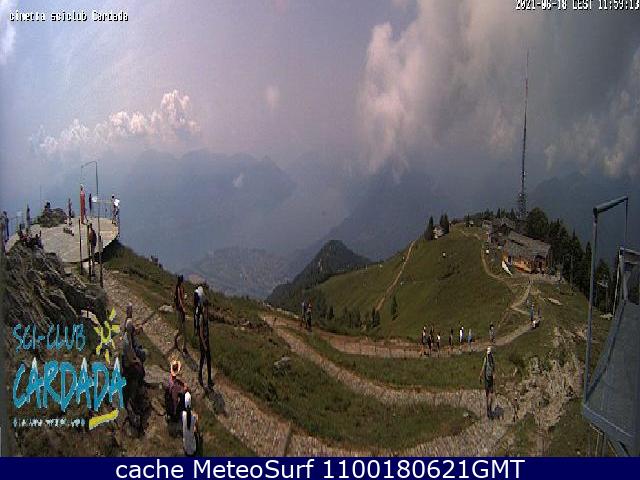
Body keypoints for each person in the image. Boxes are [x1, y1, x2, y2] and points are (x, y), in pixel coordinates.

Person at [198, 298, 214, 389]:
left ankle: (209, 380)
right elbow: (200, 333)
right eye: (207, 307)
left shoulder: (206, 315)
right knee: (202, 359)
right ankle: (200, 375)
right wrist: (204, 345)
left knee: (208, 360)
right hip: (203, 342)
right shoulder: (201, 317)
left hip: (206, 340)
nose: (207, 309)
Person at [479, 346, 496, 418]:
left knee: (489, 394)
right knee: (489, 394)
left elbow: (484, 367)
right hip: (489, 378)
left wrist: (480, 376)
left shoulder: (488, 359)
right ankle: (489, 408)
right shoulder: (491, 359)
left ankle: (488, 408)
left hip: (488, 378)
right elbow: (493, 368)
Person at [182, 392, 199, 456]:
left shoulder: (183, 415)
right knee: (195, 431)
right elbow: (196, 425)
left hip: (186, 448)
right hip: (193, 449)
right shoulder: (193, 417)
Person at [174, 275, 187, 353]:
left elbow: (182, 298)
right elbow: (180, 300)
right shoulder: (178, 288)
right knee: (181, 330)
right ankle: (175, 339)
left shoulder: (182, 288)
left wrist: (184, 297)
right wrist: (183, 308)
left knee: (184, 331)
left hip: (182, 311)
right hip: (180, 311)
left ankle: (184, 347)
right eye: (182, 280)